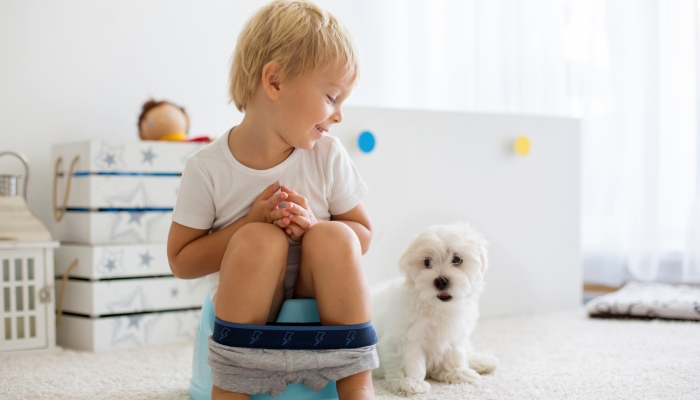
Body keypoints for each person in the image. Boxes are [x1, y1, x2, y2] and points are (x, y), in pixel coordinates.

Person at [166, 1, 376, 399]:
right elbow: (180, 260)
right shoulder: (208, 167)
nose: (338, 116)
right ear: (275, 81)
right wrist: (246, 225)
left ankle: (356, 387)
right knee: (257, 241)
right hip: (248, 306)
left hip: (316, 296)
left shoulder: (327, 155)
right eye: (332, 97)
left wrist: (316, 227)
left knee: (336, 237)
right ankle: (230, 390)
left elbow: (363, 232)